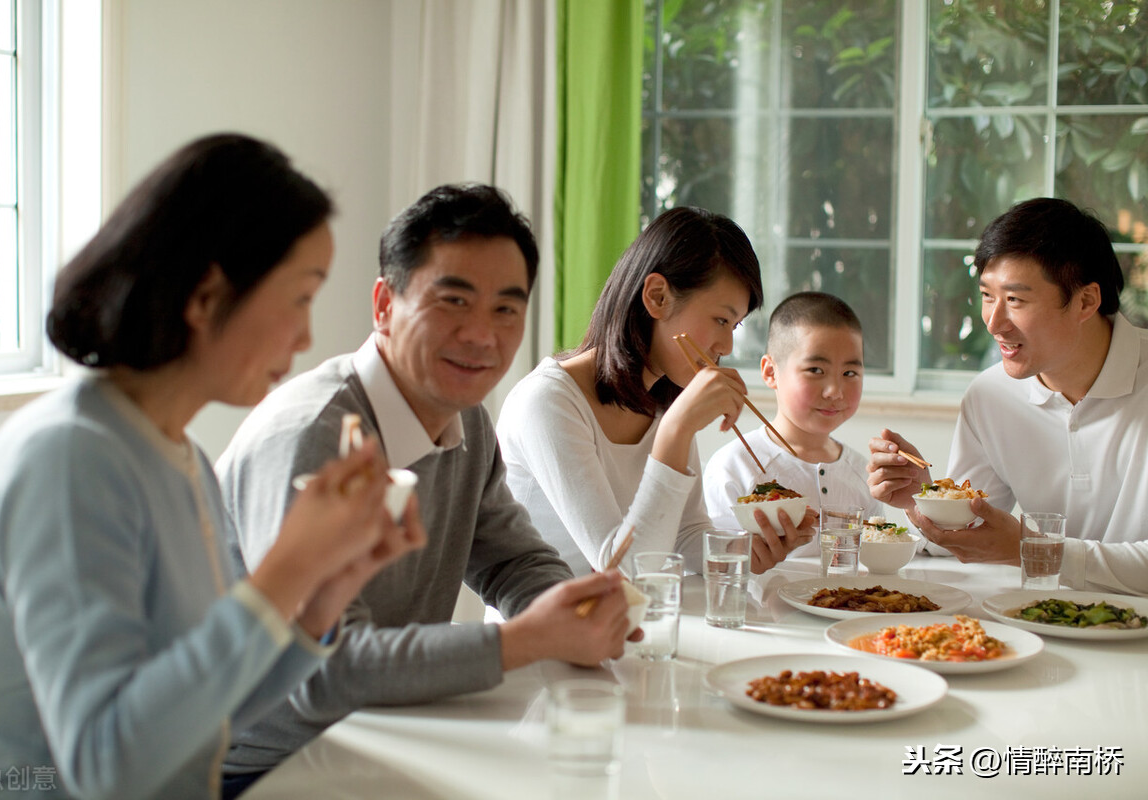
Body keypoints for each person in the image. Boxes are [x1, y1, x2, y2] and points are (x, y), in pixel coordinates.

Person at [0, 134, 425, 800]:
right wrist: (286, 567)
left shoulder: (183, 459)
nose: (308, 336)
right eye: (300, 297)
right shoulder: (68, 458)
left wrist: (327, 586)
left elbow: (211, 706)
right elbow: (105, 765)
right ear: (206, 296)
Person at [216, 183, 632, 784]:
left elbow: (513, 562)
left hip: (391, 735)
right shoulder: (312, 435)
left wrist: (577, 612)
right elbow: (323, 675)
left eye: (506, 310)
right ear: (384, 304)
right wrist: (528, 639)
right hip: (267, 769)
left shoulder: (466, 418)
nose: (482, 336)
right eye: (454, 302)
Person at [497, 207, 816, 578]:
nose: (727, 345)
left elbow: (685, 535)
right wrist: (676, 431)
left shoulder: (664, 401)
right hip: (544, 631)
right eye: (721, 320)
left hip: (624, 625)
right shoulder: (548, 403)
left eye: (736, 325)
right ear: (657, 297)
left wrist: (745, 552)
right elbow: (621, 567)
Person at [867, 197, 1148, 595]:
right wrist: (923, 499)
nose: (994, 322)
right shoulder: (991, 395)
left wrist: (1030, 549)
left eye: (1015, 300)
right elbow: (967, 537)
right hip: (1043, 623)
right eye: (986, 295)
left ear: (1085, 301)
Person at [703, 292, 887, 533]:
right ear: (770, 372)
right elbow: (718, 559)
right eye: (816, 370)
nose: (834, 392)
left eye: (849, 374)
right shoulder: (734, 466)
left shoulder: (863, 475)